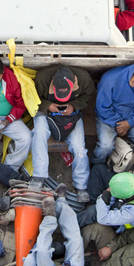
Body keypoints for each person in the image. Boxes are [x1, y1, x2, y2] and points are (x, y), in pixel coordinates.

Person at [30, 65, 96, 202]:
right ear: (53, 83)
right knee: (39, 134)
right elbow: (31, 98)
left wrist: (74, 106)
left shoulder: (84, 79)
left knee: (79, 147)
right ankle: (39, 176)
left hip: (71, 114)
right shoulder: (42, 79)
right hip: (46, 112)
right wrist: (48, 105)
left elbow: (89, 95)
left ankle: (81, 186)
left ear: (74, 84)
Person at [93, 58, 134, 163]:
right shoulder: (110, 79)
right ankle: (97, 163)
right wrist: (119, 124)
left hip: (130, 117)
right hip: (109, 116)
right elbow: (102, 107)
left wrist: (129, 122)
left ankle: (127, 154)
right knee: (105, 147)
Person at [77, 167, 134, 234]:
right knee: (98, 170)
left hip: (125, 223)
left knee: (94, 211)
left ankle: (75, 223)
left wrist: (106, 195)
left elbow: (102, 218)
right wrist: (113, 188)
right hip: (126, 203)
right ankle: (94, 204)